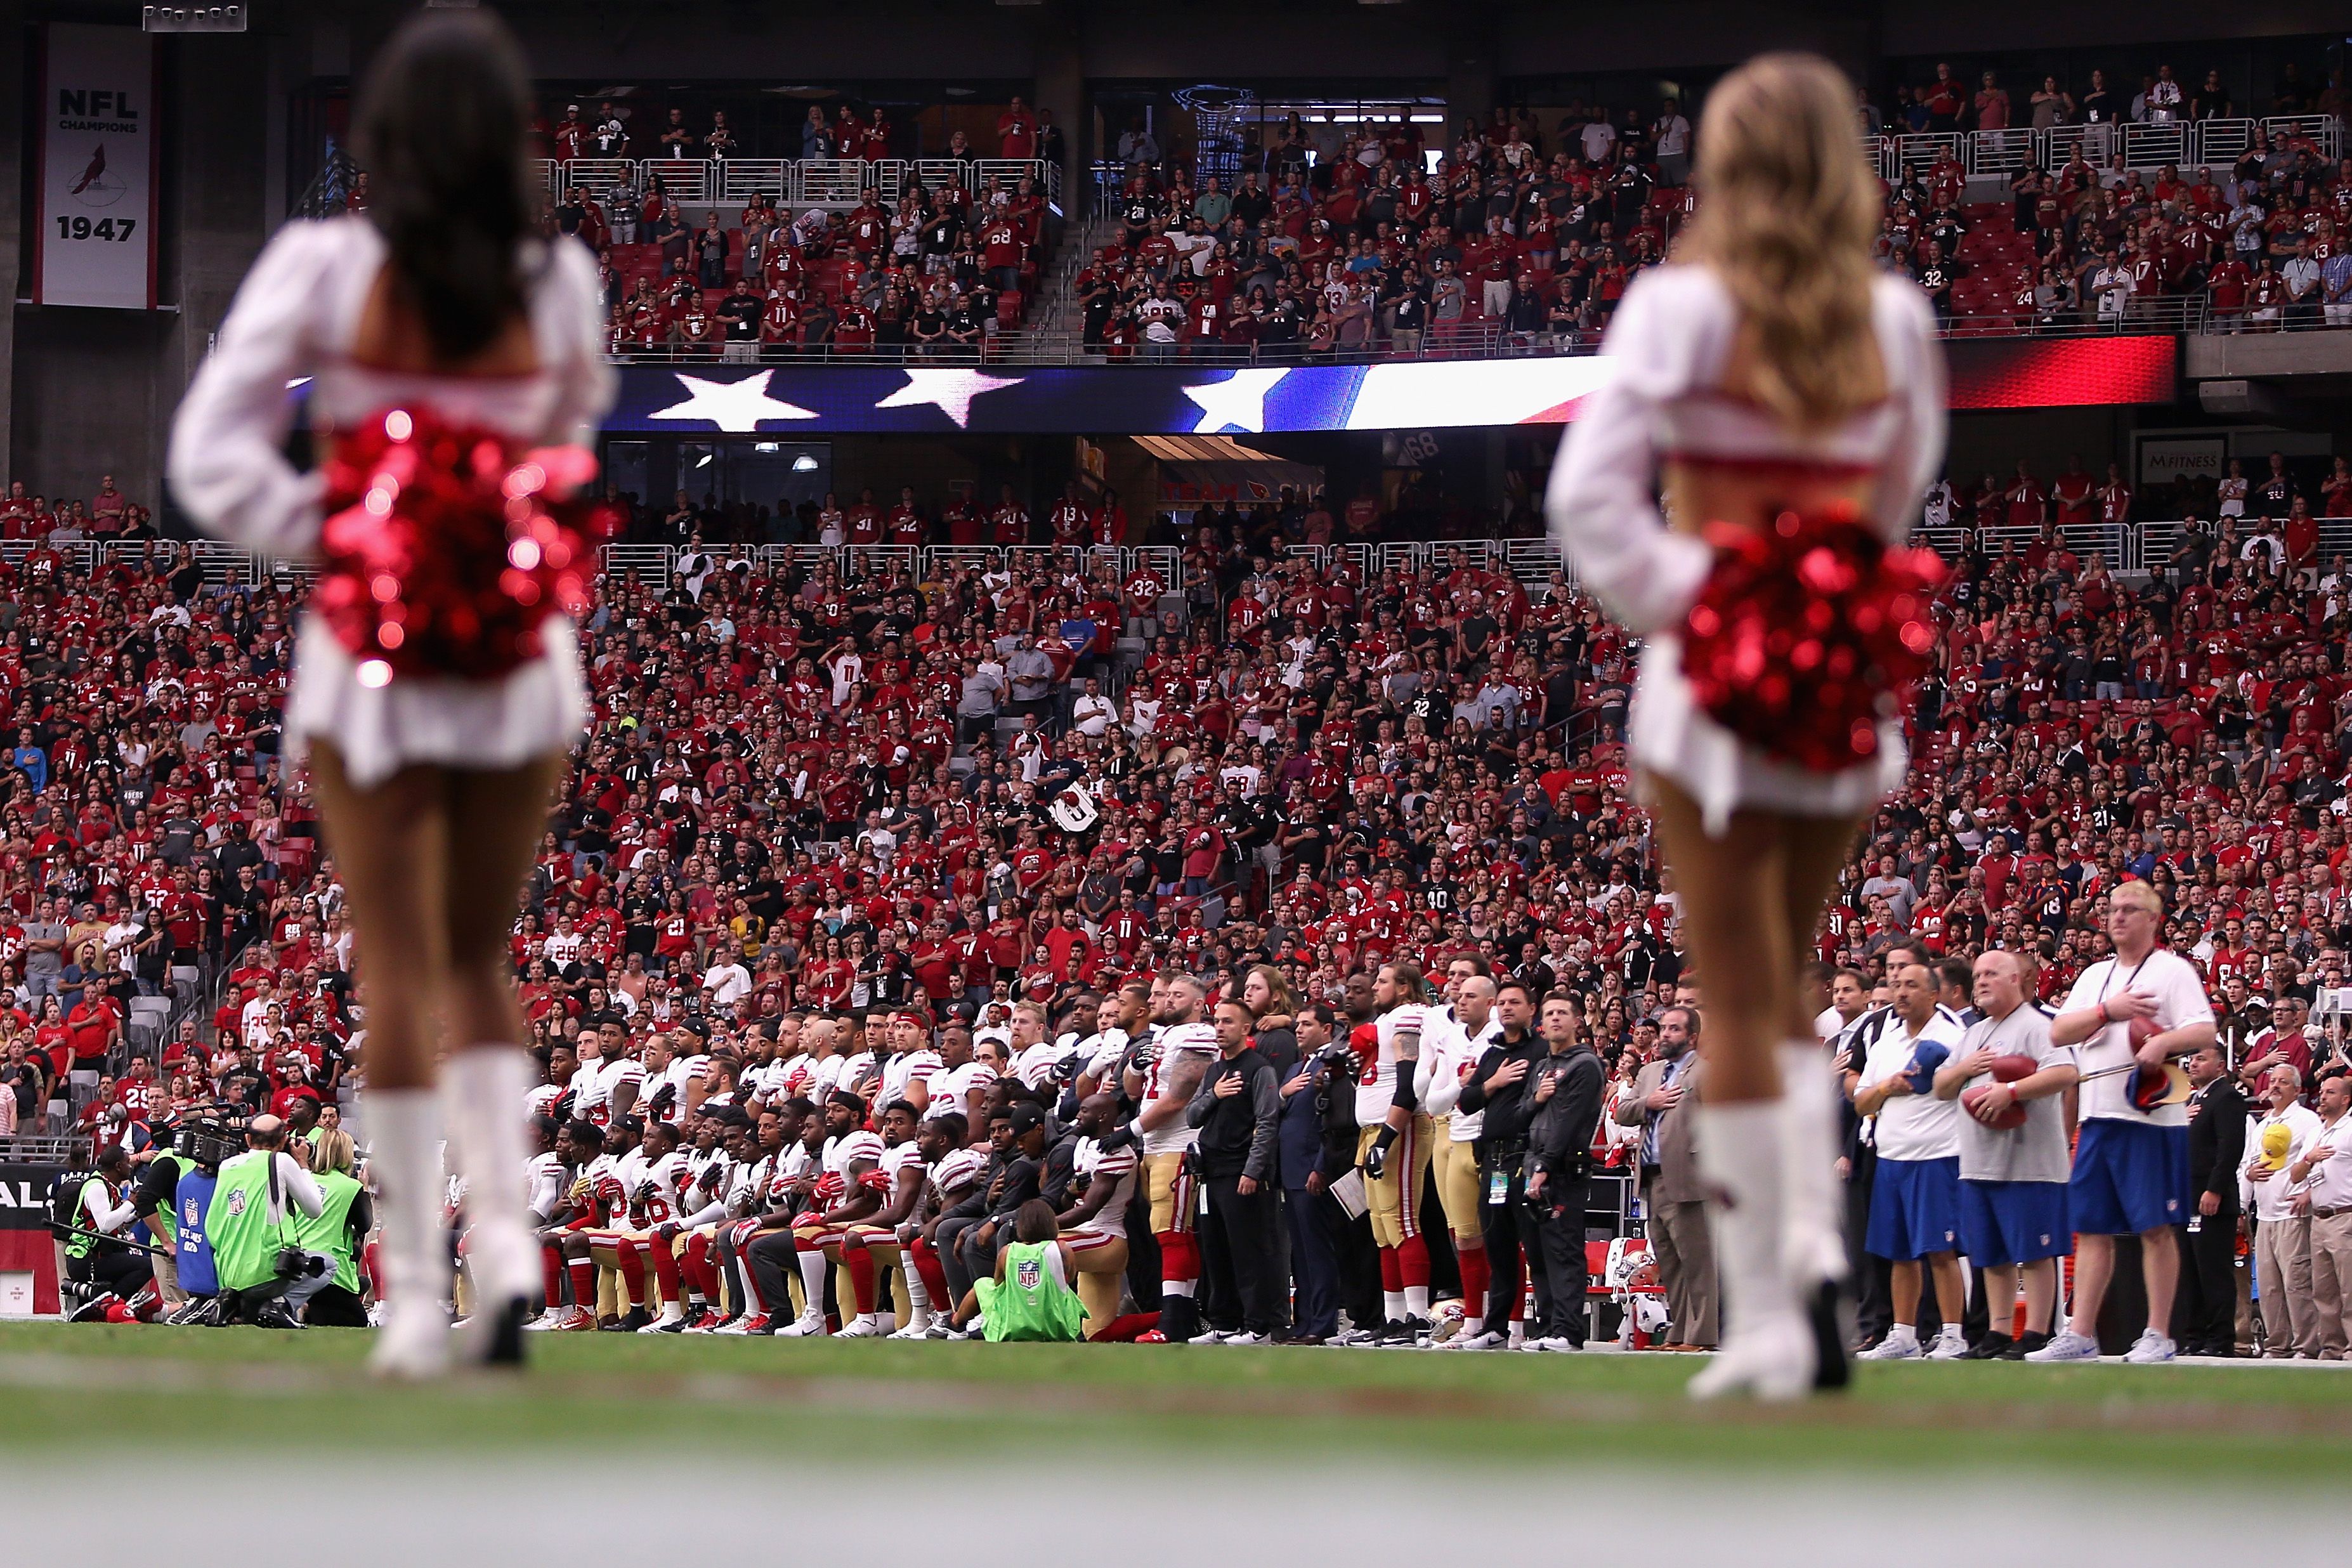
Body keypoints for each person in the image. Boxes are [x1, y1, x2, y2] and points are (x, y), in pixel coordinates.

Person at [166, 10, 614, 1376]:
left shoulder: (323, 263)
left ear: (383, 139)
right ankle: (513, 1249)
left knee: (396, 962)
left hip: (371, 651)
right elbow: (571, 437)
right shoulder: (559, 281)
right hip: (516, 655)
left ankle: (418, 1295)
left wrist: (345, 525)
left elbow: (209, 451)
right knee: (477, 960)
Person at [1548, 53, 1947, 1400]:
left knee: (1740, 995)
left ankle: (1780, 1302)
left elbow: (1589, 503)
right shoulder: (1893, 320)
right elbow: (1895, 502)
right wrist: (1812, 608)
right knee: (1790, 975)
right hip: (1837, 683)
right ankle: (1813, 1256)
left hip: (1715, 692)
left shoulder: (1677, 308)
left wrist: (1708, 603)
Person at [2029, 881, 2218, 1363]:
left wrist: (2163, 1042)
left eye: (2131, 910)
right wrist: (2107, 1012)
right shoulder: (2095, 976)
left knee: (2156, 1225)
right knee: (2092, 1228)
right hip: (2097, 1117)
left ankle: (2158, 1333)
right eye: (2112, 909)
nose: (2117, 917)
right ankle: (2082, 1332)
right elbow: (2060, 1029)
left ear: (2153, 920)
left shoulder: (2173, 971)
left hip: (2152, 1119)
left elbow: (2205, 1028)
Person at [1934, 949, 2077, 1359]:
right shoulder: (1974, 1034)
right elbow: (1942, 1085)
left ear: (2016, 980)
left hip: (2029, 1163)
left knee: (2034, 1252)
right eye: (1978, 974)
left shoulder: (2036, 1026)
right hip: (1979, 1162)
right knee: (1990, 1255)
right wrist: (1965, 1069)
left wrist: (2010, 1091)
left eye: (1992, 974)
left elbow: (2066, 1073)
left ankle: (2036, 1332)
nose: (1981, 981)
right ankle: (1997, 1332)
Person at [1852, 963, 1969, 1360]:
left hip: (1936, 1155)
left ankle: (1953, 1334)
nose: (1901, 993)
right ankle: (1904, 1334)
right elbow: (1861, 1102)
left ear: (1934, 994)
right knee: (1898, 1253)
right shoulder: (1885, 1044)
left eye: (1912, 986)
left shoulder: (1954, 1039)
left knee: (1940, 1250)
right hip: (1891, 1157)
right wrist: (1888, 1087)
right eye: (1896, 985)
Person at [1616, 1004, 1715, 1350]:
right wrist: (1650, 1101)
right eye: (1663, 1028)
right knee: (1670, 1262)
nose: (1665, 1034)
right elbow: (1622, 1112)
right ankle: (1677, 1334)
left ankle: (1701, 1336)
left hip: (1689, 1177)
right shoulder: (1650, 1073)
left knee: (1697, 1262)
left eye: (1674, 1029)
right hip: (1651, 1177)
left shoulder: (1705, 1073)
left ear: (1692, 1037)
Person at [1184, 997, 1281, 1343]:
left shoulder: (1259, 1069)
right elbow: (1193, 1116)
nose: (1220, 1028)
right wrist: (1215, 1093)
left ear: (1245, 1028)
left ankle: (1258, 1326)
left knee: (1247, 1250)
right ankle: (1224, 1322)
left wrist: (1253, 1171)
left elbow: (1268, 1122)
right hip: (1210, 1172)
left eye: (1227, 1022)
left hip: (1240, 1170)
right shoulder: (1214, 1071)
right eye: (1217, 1022)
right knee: (1216, 1249)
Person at [1521, 991, 1606, 1350]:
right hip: (1533, 1164)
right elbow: (1524, 1112)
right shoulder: (1542, 1066)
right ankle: (1548, 1326)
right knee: (1539, 1253)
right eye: (1549, 1013)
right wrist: (1538, 1098)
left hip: (1565, 1169)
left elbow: (1568, 1123)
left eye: (1562, 1013)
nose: (1555, 1018)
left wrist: (1544, 1166)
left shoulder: (1585, 1065)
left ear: (1577, 1021)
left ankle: (1569, 1331)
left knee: (1564, 1250)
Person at [205, 1114, 329, 1329]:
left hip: (228, 1273)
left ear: (247, 1139)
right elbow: (314, 1209)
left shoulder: (227, 1166)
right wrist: (303, 1164)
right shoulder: (281, 1161)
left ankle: (233, 1302)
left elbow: (212, 1226)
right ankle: (279, 1306)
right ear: (282, 1142)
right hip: (269, 1272)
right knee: (328, 1264)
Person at [2240, 1064, 2322, 1357]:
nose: (2275, 1086)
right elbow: (2246, 1166)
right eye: (2272, 1081)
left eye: (2283, 1082)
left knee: (2296, 1283)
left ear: (2298, 1090)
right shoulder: (2262, 1126)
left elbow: (2321, 1160)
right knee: (2269, 1287)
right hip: (2264, 1215)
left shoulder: (2308, 1121)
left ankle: (2307, 1345)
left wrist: (2310, 1193)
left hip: (2293, 1214)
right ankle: (2277, 1345)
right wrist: (2245, 1192)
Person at [2174, 1043, 2249, 1357]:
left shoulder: (2227, 1097)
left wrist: (2215, 1189)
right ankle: (2195, 1336)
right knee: (2190, 1271)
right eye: (2192, 1058)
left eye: (2201, 1059)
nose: (2193, 1064)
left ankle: (2220, 1339)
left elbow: (2229, 1147)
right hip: (2188, 1197)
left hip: (2211, 1198)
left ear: (2221, 1066)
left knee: (2213, 1271)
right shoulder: (2193, 1100)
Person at [2290, 1073, 2352, 1361]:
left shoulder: (2350, 1129)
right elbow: (2295, 1175)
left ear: (2346, 1099)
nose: (2323, 1096)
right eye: (2322, 1091)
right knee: (2324, 1291)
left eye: (2330, 1092)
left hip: (2345, 1215)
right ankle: (2332, 1346)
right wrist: (2309, 1158)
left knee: (2349, 1288)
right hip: (2320, 1217)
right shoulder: (2316, 1133)